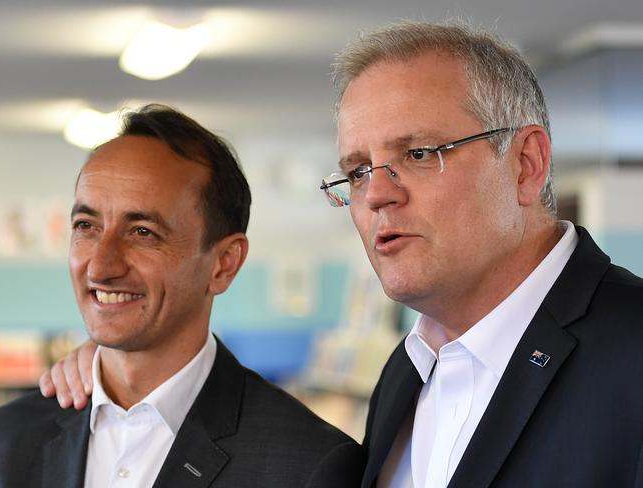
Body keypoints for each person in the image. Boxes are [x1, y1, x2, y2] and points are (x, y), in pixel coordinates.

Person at [39, 21, 643, 487]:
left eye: (419, 153)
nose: (376, 193)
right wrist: (122, 368)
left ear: (526, 164)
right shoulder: (407, 377)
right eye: (356, 170)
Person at [0, 105, 363, 487]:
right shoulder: (4, 444)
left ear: (223, 264)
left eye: (142, 232)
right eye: (86, 226)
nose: (100, 267)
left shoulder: (306, 465)